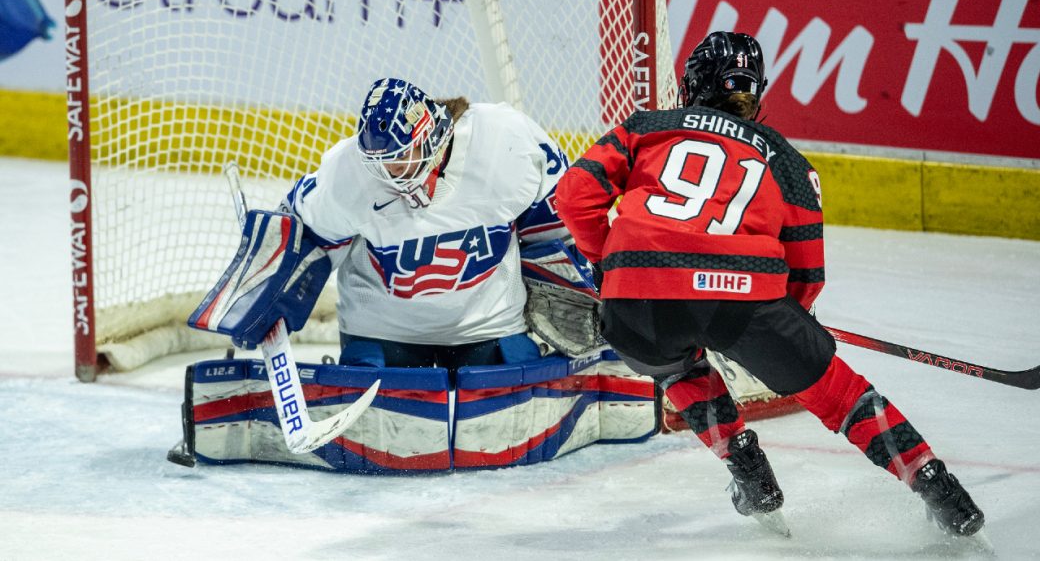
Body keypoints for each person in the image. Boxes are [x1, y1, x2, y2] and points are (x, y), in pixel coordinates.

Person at [554, 32, 984, 536]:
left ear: (691, 84)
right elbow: (806, 272)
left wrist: (609, 264)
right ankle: (941, 490)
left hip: (635, 301)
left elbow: (574, 194)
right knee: (841, 396)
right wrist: (789, 324)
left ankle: (746, 468)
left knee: (676, 368)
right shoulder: (789, 162)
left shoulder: (645, 126)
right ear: (756, 92)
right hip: (743, 302)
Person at [275, 77, 572, 376]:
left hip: (488, 324)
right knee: (383, 415)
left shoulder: (505, 141)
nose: (389, 172)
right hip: (384, 329)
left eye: (400, 157)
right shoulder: (347, 171)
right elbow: (300, 235)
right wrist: (270, 293)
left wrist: (579, 293)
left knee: (507, 408)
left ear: (430, 137)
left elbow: (557, 227)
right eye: (380, 162)